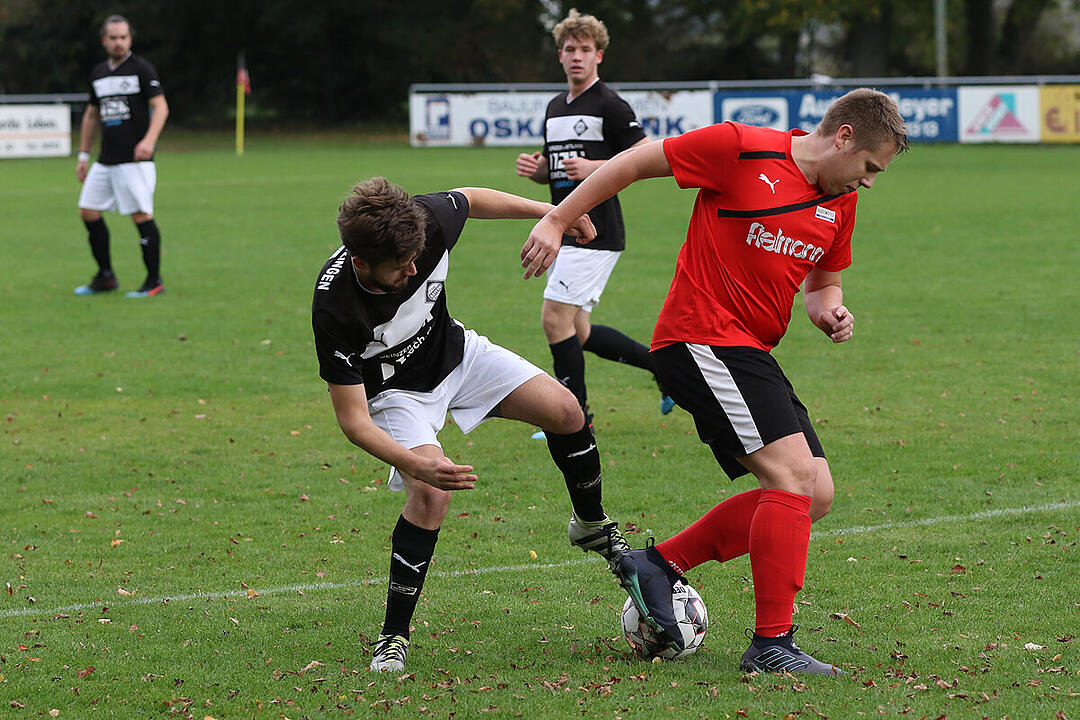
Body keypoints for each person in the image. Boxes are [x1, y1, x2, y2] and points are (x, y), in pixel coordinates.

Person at [522, 89, 908, 674]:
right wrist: (556, 217)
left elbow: (822, 285)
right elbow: (635, 161)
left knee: (815, 496)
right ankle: (772, 645)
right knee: (793, 478)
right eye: (870, 167)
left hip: (749, 350)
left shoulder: (841, 202)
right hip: (698, 337)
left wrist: (831, 310)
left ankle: (658, 563)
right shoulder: (740, 147)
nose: (870, 182)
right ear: (844, 137)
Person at [312, 177, 632, 673]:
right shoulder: (335, 307)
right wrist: (417, 464)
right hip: (397, 394)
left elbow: (473, 198)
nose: (415, 270)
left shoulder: (419, 222)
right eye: (401, 269)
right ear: (361, 264)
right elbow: (353, 421)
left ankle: (589, 525)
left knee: (567, 412)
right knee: (431, 494)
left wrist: (555, 213)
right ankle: (392, 636)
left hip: (457, 354)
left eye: (417, 259)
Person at [515, 9, 671, 438]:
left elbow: (648, 155)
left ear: (599, 55)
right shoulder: (554, 106)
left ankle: (573, 417)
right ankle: (663, 369)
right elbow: (560, 170)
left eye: (585, 49)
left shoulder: (609, 103)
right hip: (565, 228)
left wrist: (595, 166)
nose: (577, 57)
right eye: (570, 49)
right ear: (560, 56)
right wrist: (540, 170)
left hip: (596, 232)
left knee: (554, 320)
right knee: (576, 331)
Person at [74, 14, 168, 298]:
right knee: (88, 211)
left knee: (140, 215)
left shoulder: (141, 69)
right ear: (104, 40)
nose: (118, 43)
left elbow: (161, 107)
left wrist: (149, 141)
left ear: (130, 39)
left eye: (123, 37)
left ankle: (154, 281)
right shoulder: (99, 73)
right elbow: (92, 115)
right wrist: (82, 154)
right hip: (106, 159)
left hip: (134, 160)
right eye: (113, 38)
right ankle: (105, 276)